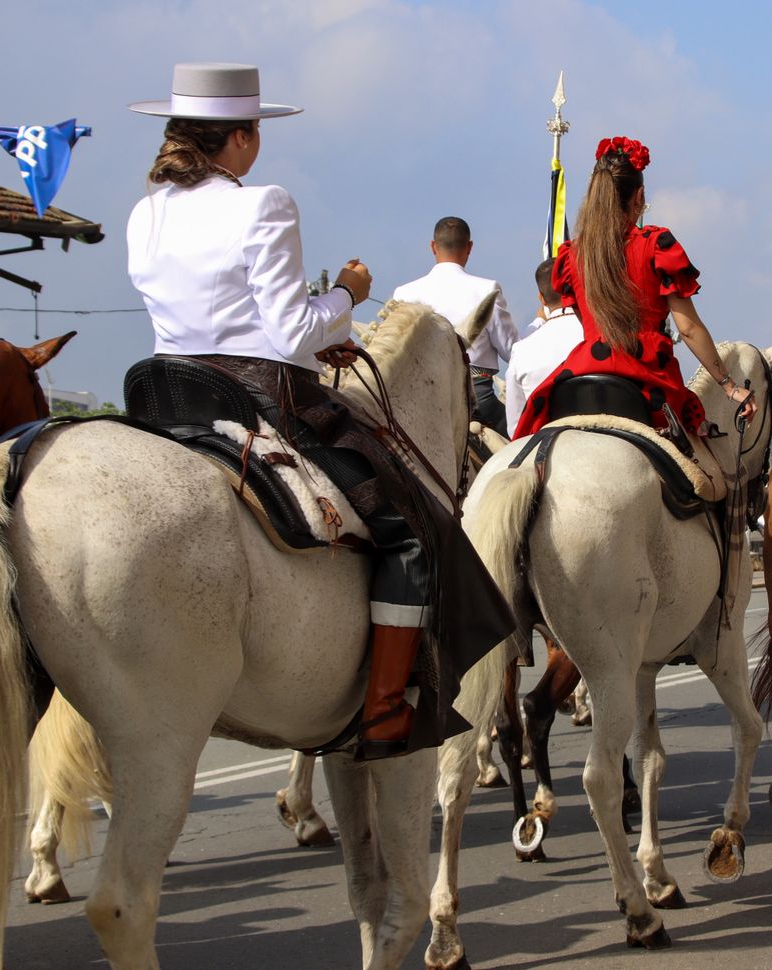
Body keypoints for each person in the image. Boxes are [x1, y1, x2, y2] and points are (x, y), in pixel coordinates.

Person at [126, 62, 512, 760]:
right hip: (257, 400)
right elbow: (292, 333)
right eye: (256, 132)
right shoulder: (262, 203)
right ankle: (390, 705)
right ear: (242, 138)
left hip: (166, 397)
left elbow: (211, 325)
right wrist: (348, 295)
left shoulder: (144, 213)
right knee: (412, 527)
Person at [514, 135, 753, 438]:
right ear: (638, 196)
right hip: (647, 379)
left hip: (584, 370)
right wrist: (730, 387)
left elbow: (587, 320)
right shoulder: (656, 246)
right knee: (703, 478)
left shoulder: (571, 257)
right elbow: (689, 329)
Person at [392, 217, 518, 436]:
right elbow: (512, 351)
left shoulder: (404, 293)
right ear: (469, 247)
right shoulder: (487, 289)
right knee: (526, 444)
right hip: (476, 400)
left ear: (433, 246)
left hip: (418, 396)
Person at [504, 258, 582, 435]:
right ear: (576, 289)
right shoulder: (602, 335)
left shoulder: (521, 350)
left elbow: (515, 427)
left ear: (542, 299)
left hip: (538, 444)